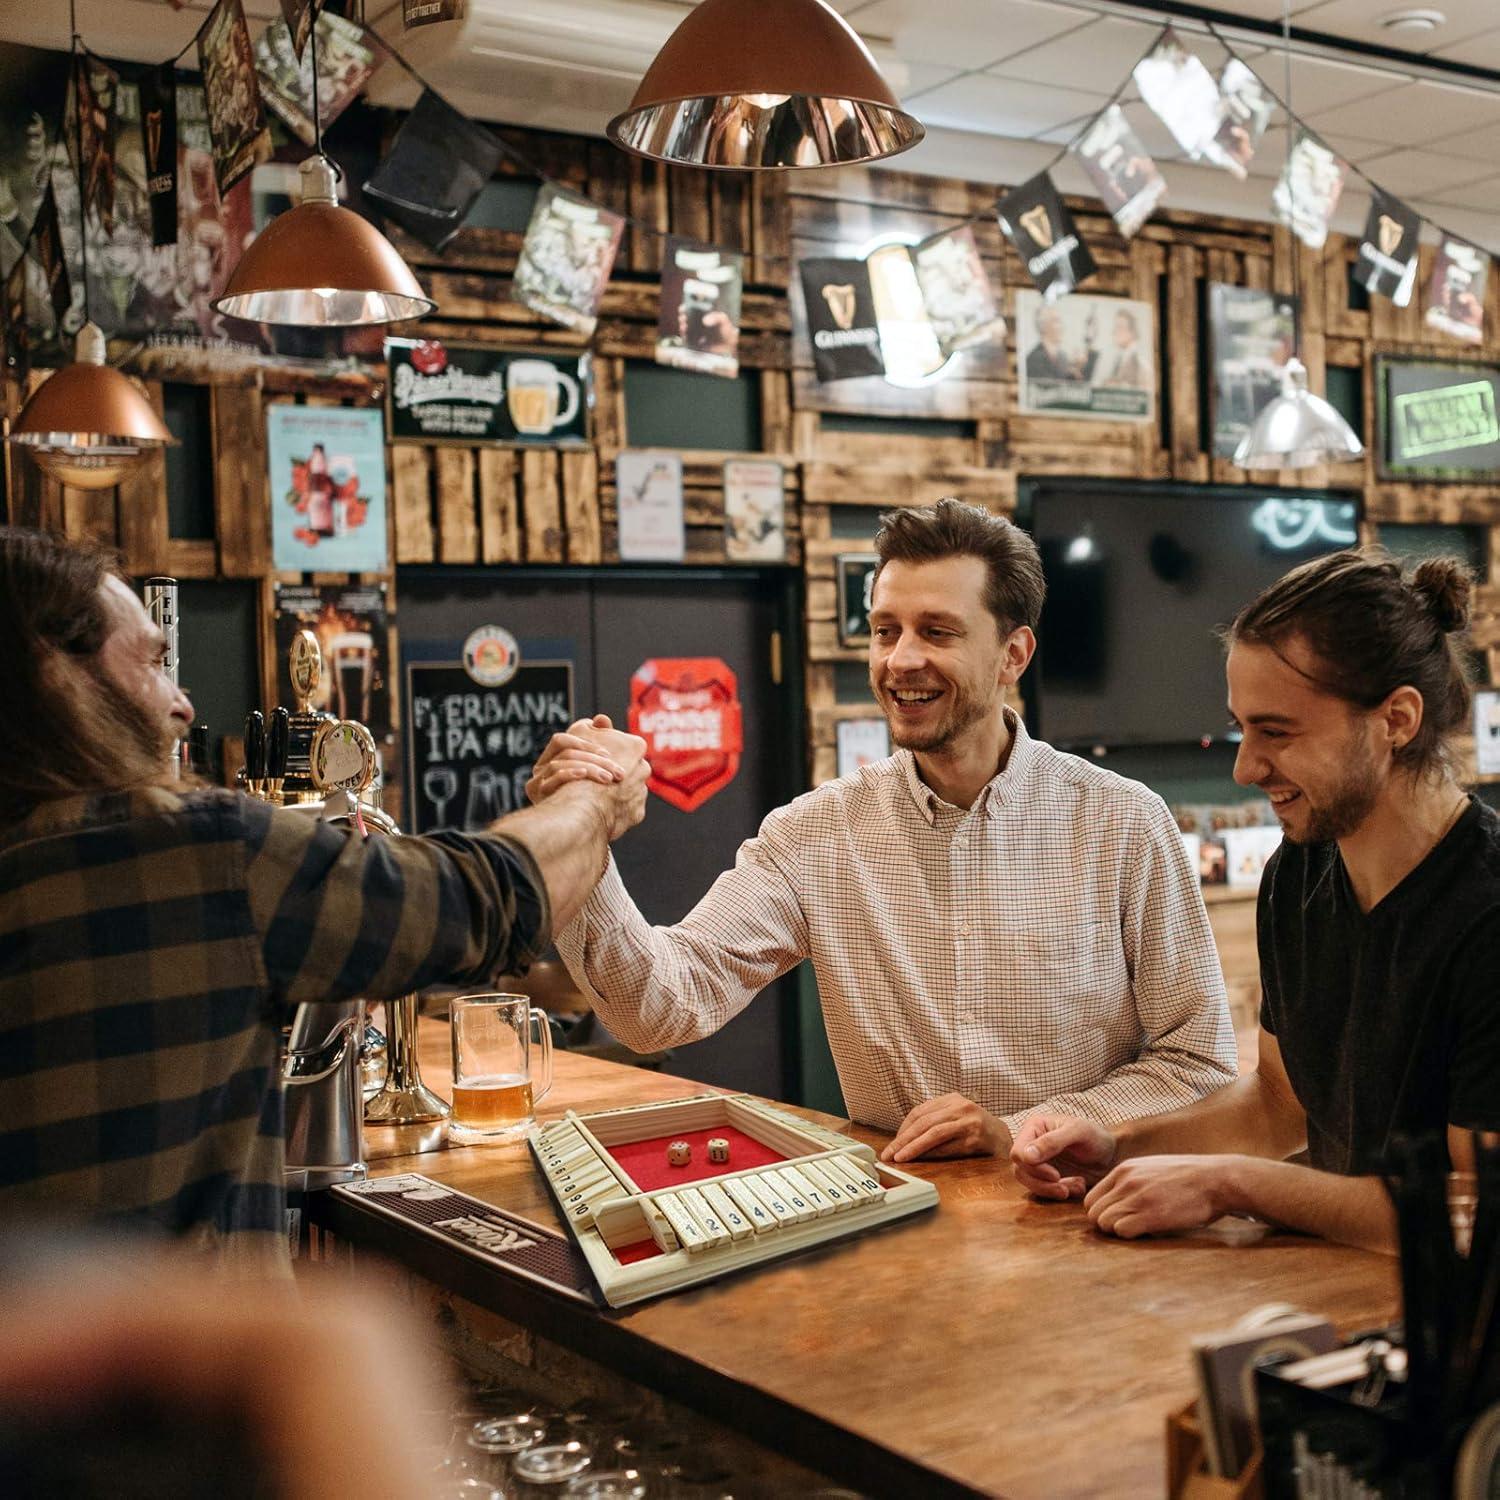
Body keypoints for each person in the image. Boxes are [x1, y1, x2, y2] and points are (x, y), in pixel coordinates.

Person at [0, 528, 648, 1270]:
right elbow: (479, 901)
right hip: (176, 1343)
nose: (182, 704)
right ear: (55, 675)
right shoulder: (183, 850)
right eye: (152, 661)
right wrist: (593, 796)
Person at [530, 500, 1237, 1164]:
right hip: (906, 1215)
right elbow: (660, 1008)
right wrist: (578, 829)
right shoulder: (814, 836)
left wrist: (1020, 1130)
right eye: (885, 630)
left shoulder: (1122, 823)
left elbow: (1197, 1061)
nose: (899, 660)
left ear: (1013, 655)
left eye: (937, 631)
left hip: (1085, 1216)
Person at [1011, 549, 1500, 1252]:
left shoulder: (1486, 910)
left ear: (1396, 719)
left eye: (1277, 732)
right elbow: (1276, 1104)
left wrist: (1232, 1185)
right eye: (1243, 729)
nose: (1244, 767)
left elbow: (1475, 1211)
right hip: (1336, 1295)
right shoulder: (1297, 875)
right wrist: (1115, 1149)